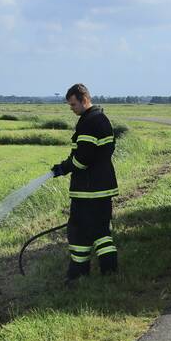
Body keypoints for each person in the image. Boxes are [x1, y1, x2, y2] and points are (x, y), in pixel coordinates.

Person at [50, 83, 118, 281]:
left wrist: (64, 167)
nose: (72, 109)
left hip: (88, 191)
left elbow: (83, 158)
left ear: (84, 99)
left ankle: (78, 275)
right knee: (101, 232)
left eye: (73, 105)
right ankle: (110, 272)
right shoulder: (101, 119)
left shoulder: (89, 122)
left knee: (78, 232)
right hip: (102, 189)